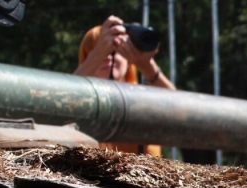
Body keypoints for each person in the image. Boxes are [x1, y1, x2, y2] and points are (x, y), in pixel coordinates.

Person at [74, 16, 176, 156]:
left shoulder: (145, 98)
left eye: (115, 50)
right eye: (98, 49)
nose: (108, 57)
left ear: (128, 60)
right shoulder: (81, 103)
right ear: (86, 58)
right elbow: (64, 98)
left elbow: (182, 111)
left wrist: (146, 65)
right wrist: (99, 54)